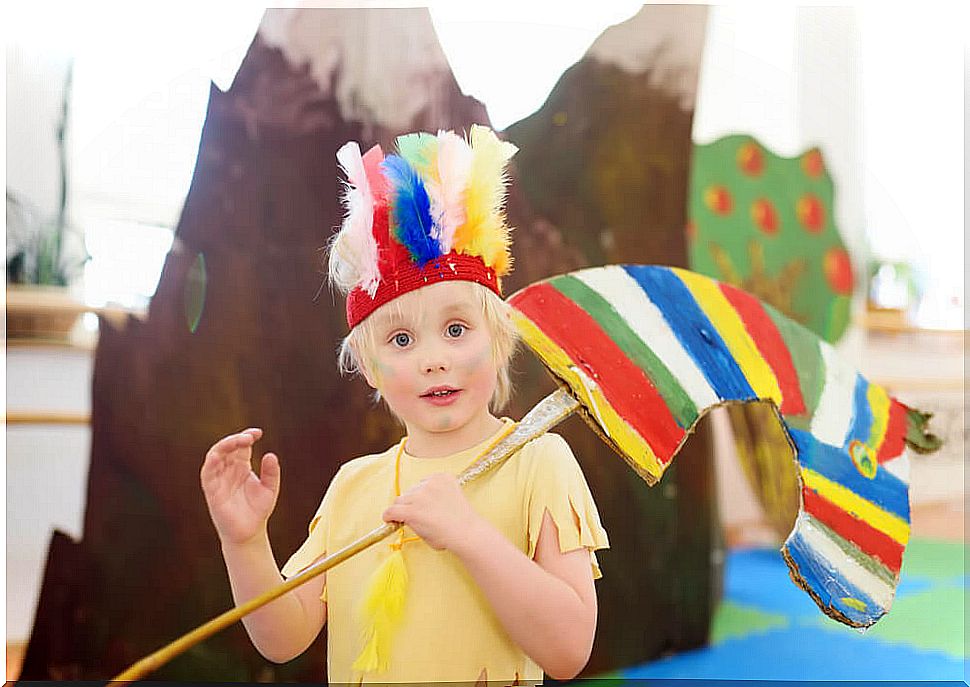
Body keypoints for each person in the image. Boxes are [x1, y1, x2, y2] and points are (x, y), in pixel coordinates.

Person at [201, 125, 609, 684]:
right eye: (400, 341)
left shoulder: (539, 463)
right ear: (369, 368)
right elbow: (284, 637)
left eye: (456, 328)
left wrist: (468, 535)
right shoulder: (353, 487)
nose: (432, 359)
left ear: (500, 341)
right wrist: (244, 543)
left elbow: (568, 650)